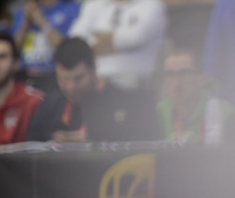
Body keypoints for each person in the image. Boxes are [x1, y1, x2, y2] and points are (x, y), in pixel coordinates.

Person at [26, 37, 160, 143]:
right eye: (64, 79)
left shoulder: (124, 102)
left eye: (78, 78)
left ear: (94, 68)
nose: (71, 87)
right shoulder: (50, 104)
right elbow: (31, 148)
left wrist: (95, 142)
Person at [70, 0, 168, 89]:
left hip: (137, 83)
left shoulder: (153, 4)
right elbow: (76, 39)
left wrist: (96, 39)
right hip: (97, 83)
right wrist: (122, 42)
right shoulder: (93, 4)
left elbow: (136, 38)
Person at [157, 48, 235, 145]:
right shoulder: (158, 112)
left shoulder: (227, 113)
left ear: (202, 79)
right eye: (169, 74)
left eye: (184, 74)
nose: (176, 83)